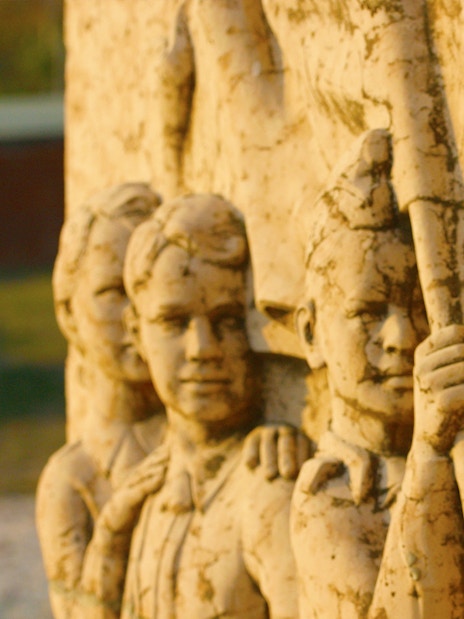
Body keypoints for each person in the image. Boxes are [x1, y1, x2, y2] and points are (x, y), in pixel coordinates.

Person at [74, 194, 299, 619]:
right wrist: (109, 538)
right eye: (174, 323)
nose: (203, 349)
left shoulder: (268, 488)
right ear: (136, 331)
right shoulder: (145, 497)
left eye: (227, 321)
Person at [291, 130, 464, 618]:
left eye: (419, 306)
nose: (401, 336)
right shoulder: (328, 497)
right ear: (311, 334)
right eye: (367, 311)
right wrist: (428, 452)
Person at [36, 183, 166, 619]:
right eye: (113, 292)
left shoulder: (219, 436)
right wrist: (111, 535)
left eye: (145, 288)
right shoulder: (72, 479)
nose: (134, 314)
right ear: (69, 312)